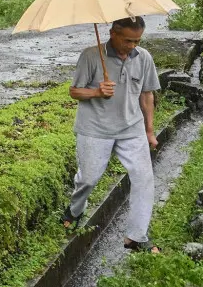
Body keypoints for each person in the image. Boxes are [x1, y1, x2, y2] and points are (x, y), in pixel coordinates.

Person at [61, 16, 162, 253]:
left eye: (137, 40)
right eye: (128, 40)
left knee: (144, 178)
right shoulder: (90, 55)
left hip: (132, 128)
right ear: (112, 33)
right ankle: (74, 210)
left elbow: (147, 95)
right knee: (88, 178)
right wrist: (96, 91)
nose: (132, 46)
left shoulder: (144, 57)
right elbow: (74, 92)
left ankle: (136, 237)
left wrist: (149, 130)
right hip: (95, 128)